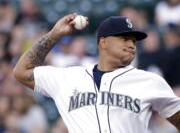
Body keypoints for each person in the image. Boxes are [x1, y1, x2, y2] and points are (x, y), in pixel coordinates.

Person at [13, 14, 180, 133]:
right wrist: (55, 34)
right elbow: (21, 71)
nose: (132, 45)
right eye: (125, 38)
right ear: (103, 42)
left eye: (134, 40)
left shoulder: (149, 82)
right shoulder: (68, 78)